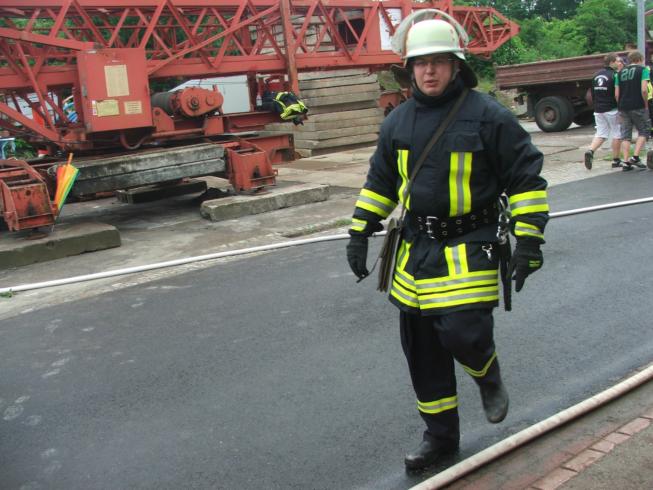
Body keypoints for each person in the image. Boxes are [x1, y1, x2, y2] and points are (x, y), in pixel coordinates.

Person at [345, 16, 549, 471]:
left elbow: (526, 178)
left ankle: (487, 376)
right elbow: (380, 182)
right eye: (421, 63)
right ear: (409, 69)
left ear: (457, 66)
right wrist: (359, 231)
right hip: (415, 247)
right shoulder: (397, 121)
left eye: (438, 61)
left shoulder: (489, 116)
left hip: (471, 242)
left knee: (463, 333)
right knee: (422, 352)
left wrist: (529, 240)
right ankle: (439, 438)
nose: (429, 71)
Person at [584, 54, 622, 170]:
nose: (619, 63)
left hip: (599, 109)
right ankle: (616, 160)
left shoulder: (596, 75)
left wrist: (596, 105)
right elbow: (617, 94)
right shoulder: (615, 75)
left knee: (601, 134)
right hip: (612, 109)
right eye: (617, 61)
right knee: (617, 133)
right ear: (611, 62)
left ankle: (590, 151)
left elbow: (593, 93)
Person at [615, 51, 650, 171]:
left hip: (623, 106)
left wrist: (620, 105)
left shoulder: (619, 73)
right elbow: (644, 90)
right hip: (637, 104)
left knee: (626, 135)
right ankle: (635, 157)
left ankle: (625, 162)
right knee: (644, 130)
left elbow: (617, 94)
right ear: (640, 59)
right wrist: (645, 104)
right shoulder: (643, 70)